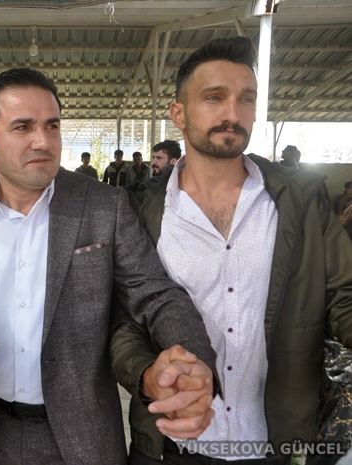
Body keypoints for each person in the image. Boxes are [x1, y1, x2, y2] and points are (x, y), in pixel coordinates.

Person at [0, 67, 218, 465]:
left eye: (52, 126)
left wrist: (192, 361)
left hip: (86, 435)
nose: (42, 140)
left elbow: (155, 293)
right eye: (22, 127)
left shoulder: (103, 206)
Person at [113, 36, 352, 465]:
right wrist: (149, 374)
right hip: (171, 446)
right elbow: (123, 318)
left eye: (246, 99)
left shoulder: (300, 204)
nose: (232, 114)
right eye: (214, 97)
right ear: (179, 114)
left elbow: (345, 297)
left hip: (277, 443)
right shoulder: (142, 212)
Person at [130, 140, 182, 208]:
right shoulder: (149, 185)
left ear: (173, 161)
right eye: (153, 158)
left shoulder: (183, 186)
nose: (153, 162)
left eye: (159, 158)